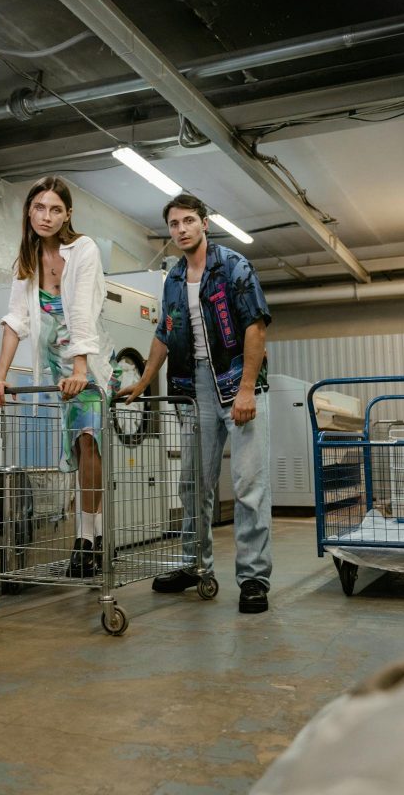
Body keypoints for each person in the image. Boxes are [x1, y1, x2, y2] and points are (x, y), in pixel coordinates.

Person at [119, 194, 272, 613]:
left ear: (205, 223)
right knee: (191, 483)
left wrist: (244, 390)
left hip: (239, 381)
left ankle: (254, 578)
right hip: (195, 386)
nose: (181, 229)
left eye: (188, 221)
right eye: (173, 223)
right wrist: (143, 381)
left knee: (246, 486)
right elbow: (164, 333)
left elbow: (255, 328)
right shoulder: (171, 279)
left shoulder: (234, 266)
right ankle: (193, 565)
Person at [0, 176, 120, 577]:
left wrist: (81, 368)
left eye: (56, 209)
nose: (47, 217)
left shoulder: (84, 250)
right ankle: (88, 536)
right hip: (57, 371)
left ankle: (88, 540)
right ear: (29, 211)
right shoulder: (26, 263)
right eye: (40, 208)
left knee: (89, 443)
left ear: (68, 215)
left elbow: (81, 309)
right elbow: (15, 320)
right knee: (77, 454)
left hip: (90, 366)